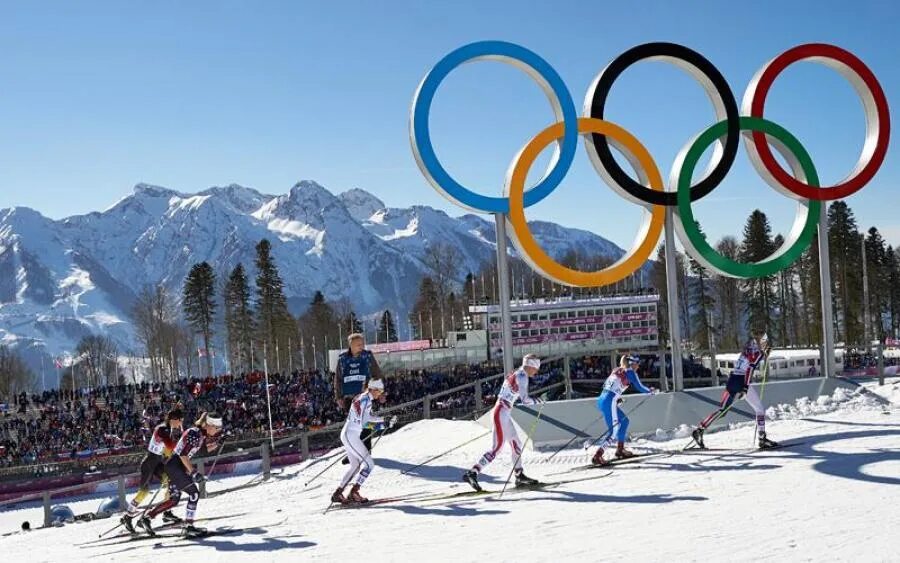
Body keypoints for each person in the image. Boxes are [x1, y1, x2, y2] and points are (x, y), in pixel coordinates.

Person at [463, 354, 544, 492]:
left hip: (503, 411)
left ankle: (519, 474)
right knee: (497, 448)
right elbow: (525, 400)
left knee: (516, 444)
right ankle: (473, 472)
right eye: (536, 368)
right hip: (501, 412)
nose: (536, 372)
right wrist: (538, 401)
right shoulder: (523, 377)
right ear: (531, 365)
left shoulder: (517, 373)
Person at [138, 412, 223, 538]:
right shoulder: (195, 434)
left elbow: (204, 450)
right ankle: (189, 526)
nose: (217, 432)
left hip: (173, 466)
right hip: (176, 467)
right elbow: (183, 455)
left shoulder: (199, 434)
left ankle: (147, 517)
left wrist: (218, 443)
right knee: (194, 494)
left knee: (174, 499)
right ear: (208, 425)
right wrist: (194, 472)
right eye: (216, 429)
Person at [692, 332, 778, 449]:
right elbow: (749, 369)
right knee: (759, 409)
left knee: (722, 411)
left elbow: (748, 362)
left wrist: (764, 355)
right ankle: (762, 439)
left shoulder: (747, 350)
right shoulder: (758, 353)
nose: (766, 344)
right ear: (761, 342)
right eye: (765, 342)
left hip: (732, 380)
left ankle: (699, 430)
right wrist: (745, 387)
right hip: (742, 381)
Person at [120, 406, 184, 533]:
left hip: (158, 461)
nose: (181, 423)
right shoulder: (162, 429)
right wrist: (182, 438)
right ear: (174, 419)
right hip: (149, 462)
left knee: (170, 481)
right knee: (144, 492)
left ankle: (167, 512)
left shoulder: (169, 429)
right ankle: (128, 516)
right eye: (180, 421)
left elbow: (167, 450)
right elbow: (170, 446)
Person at [331, 378, 395, 504]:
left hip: (349, 433)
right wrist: (383, 425)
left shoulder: (365, 398)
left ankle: (338, 494)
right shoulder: (365, 400)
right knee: (369, 464)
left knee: (355, 467)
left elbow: (368, 417)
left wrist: (383, 419)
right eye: (379, 391)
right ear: (372, 389)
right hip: (351, 435)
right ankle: (354, 492)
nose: (380, 393)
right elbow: (365, 423)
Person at [591, 355, 656, 465]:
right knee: (613, 432)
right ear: (632, 364)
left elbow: (609, 386)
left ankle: (620, 450)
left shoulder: (617, 370)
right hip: (609, 401)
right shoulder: (630, 372)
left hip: (603, 399)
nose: (638, 366)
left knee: (624, 421)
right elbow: (640, 387)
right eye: (637, 363)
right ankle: (598, 455)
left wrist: (617, 399)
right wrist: (650, 391)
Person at [335, 333, 384, 463]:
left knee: (366, 424)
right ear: (350, 345)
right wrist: (338, 396)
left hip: (365, 396)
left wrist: (381, 392)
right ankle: (352, 454)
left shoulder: (367, 356)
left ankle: (366, 453)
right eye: (358, 344)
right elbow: (338, 379)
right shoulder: (342, 359)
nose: (361, 346)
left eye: (362, 344)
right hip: (349, 397)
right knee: (351, 427)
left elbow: (377, 373)